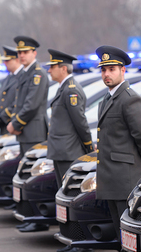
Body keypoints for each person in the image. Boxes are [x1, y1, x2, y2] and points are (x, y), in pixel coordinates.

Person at [95, 45, 141, 248]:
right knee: (119, 232)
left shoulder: (130, 99)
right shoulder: (107, 98)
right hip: (110, 178)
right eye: (104, 70)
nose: (107, 74)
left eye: (112, 69)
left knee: (130, 235)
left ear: (123, 70)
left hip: (125, 177)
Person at [46, 49, 93, 188]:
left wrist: (88, 145)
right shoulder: (63, 88)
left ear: (63, 69)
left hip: (68, 151)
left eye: (52, 67)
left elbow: (80, 121)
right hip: (62, 151)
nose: (49, 71)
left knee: (68, 190)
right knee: (62, 189)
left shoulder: (71, 90)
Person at [7, 36, 49, 158]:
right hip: (25, 131)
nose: (22, 55)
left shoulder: (38, 74)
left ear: (34, 53)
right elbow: (18, 103)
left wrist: (15, 124)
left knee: (31, 170)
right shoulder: (25, 73)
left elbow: (31, 104)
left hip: (34, 132)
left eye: (25, 52)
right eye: (20, 52)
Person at [0, 46, 23, 135]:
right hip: (3, 124)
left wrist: (4, 115)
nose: (5, 63)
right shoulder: (8, 78)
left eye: (8, 60)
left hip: (12, 123)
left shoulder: (22, 77)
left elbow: (19, 101)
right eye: (4, 61)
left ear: (17, 60)